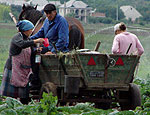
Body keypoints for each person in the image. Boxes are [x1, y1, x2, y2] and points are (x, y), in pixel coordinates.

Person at [0, 20, 44, 104]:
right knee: (12, 97)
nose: (31, 31)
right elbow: (22, 44)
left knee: (24, 95)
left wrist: (36, 50)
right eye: (30, 29)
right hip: (14, 69)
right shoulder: (17, 37)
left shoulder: (27, 38)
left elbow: (29, 50)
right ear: (25, 30)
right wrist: (36, 41)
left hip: (23, 70)